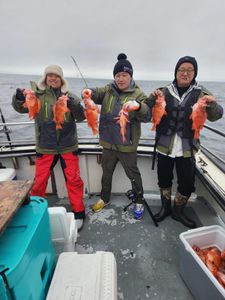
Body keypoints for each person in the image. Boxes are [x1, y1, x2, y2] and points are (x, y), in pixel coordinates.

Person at [145, 56, 223, 228]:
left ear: (195, 73)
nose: (185, 73)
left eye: (190, 70)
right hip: (164, 146)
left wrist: (214, 104)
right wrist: (150, 99)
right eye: (182, 69)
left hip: (187, 148)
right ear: (176, 72)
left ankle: (179, 212)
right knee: (164, 179)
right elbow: (145, 114)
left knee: (187, 183)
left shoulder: (202, 93)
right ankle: (165, 209)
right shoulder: (163, 91)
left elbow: (217, 116)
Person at [12, 65, 86, 230]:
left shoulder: (70, 96)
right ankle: (36, 211)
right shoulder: (36, 95)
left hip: (68, 146)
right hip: (45, 147)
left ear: (61, 79)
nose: (53, 78)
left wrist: (74, 104)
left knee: (74, 180)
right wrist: (18, 97)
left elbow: (81, 117)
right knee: (39, 182)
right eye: (49, 76)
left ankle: (79, 212)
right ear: (45, 78)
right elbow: (20, 108)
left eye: (56, 76)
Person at [82, 53, 149, 219]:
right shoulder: (108, 90)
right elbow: (96, 93)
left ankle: (139, 201)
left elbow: (148, 116)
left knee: (133, 175)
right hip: (108, 143)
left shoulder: (139, 94)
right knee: (106, 173)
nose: (120, 79)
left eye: (124, 75)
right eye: (118, 75)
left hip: (127, 144)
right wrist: (88, 92)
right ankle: (104, 198)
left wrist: (139, 106)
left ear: (130, 76)